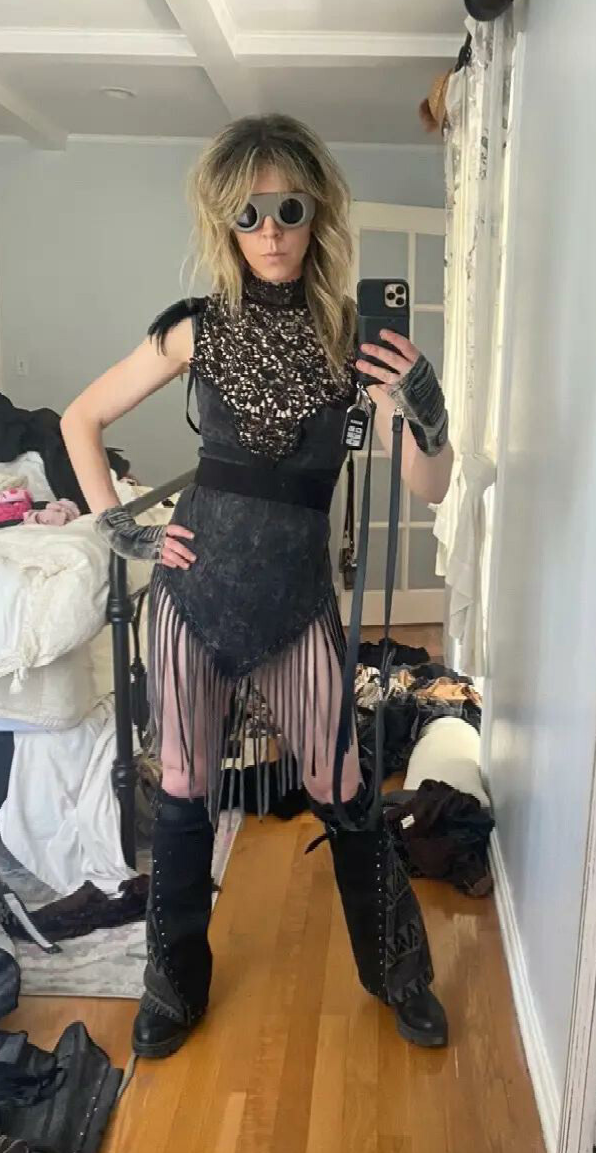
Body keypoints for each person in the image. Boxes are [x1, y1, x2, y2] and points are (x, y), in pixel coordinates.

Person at [62, 113, 454, 1060]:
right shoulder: (193, 330)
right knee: (185, 787)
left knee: (341, 782)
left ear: (316, 212)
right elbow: (81, 419)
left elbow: (428, 486)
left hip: (294, 602)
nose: (269, 231)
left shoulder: (355, 340)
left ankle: (398, 974)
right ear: (223, 223)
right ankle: (172, 988)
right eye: (247, 214)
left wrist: (425, 407)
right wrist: (126, 530)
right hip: (191, 597)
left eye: (287, 208)